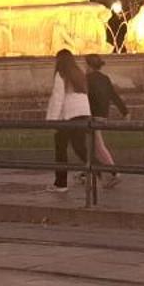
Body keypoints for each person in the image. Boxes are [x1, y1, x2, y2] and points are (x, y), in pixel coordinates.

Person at [45, 48, 91, 191]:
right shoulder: (79, 73)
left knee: (61, 149)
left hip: (68, 116)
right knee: (80, 148)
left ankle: (61, 183)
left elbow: (58, 99)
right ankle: (100, 172)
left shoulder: (61, 75)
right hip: (83, 113)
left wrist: (52, 121)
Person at [83, 54, 127, 183]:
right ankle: (87, 172)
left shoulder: (87, 79)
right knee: (91, 145)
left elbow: (84, 97)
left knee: (98, 146)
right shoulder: (105, 78)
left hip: (92, 116)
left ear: (88, 65)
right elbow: (113, 95)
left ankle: (115, 173)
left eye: (85, 64)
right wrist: (125, 111)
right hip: (103, 115)